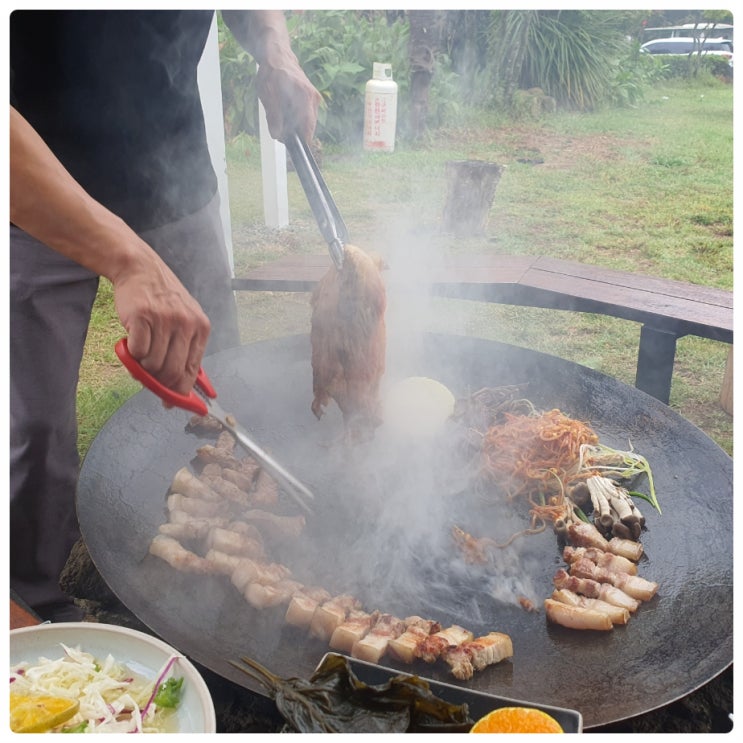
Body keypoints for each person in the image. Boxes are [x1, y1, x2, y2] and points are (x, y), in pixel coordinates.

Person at [9, 10, 322, 621]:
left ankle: (215, 571)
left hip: (174, 178)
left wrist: (274, 49)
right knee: (36, 428)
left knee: (218, 388)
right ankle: (31, 610)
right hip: (32, 190)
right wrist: (127, 259)